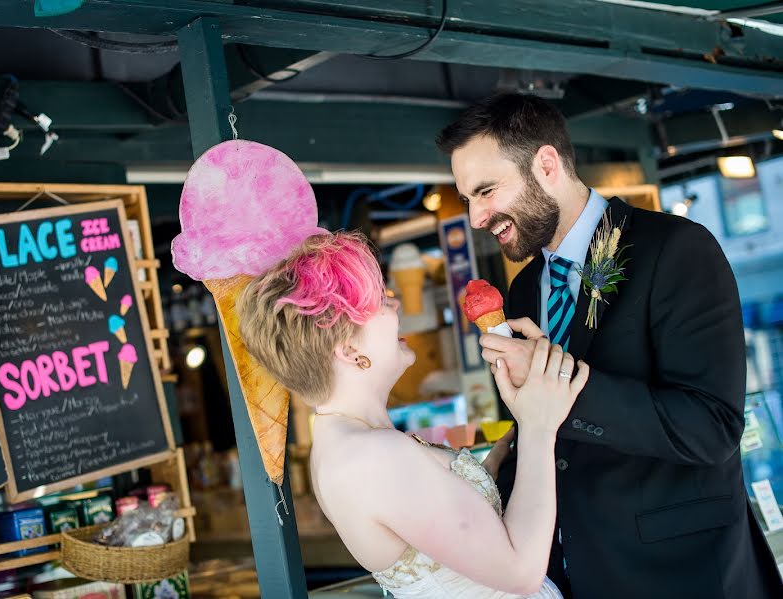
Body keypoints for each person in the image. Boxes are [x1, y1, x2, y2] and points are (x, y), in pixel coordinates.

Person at [437, 92, 783, 598]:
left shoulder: (677, 250)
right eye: (468, 199)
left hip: (684, 574)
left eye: (487, 191)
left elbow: (712, 430)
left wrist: (558, 382)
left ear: (547, 164)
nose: (477, 217)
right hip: (577, 574)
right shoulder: (524, 289)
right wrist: (484, 478)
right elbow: (544, 436)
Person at [237, 231, 589, 598]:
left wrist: (495, 462)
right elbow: (521, 571)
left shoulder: (351, 444)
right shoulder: (370, 457)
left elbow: (439, 526)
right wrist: (538, 426)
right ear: (349, 349)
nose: (396, 306)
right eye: (378, 303)